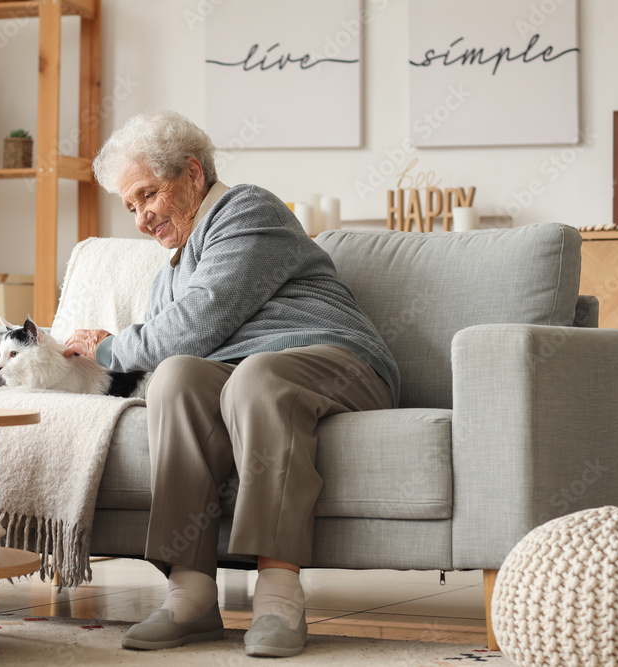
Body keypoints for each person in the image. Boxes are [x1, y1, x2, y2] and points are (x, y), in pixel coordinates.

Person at [64, 110, 400, 658]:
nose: (141, 217)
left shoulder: (246, 209)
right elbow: (169, 352)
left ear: (193, 174)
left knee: (258, 375)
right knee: (175, 377)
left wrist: (107, 346)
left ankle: (278, 597)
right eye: (130, 206)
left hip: (339, 361)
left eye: (148, 195)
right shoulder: (169, 274)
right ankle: (190, 594)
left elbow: (197, 322)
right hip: (248, 374)